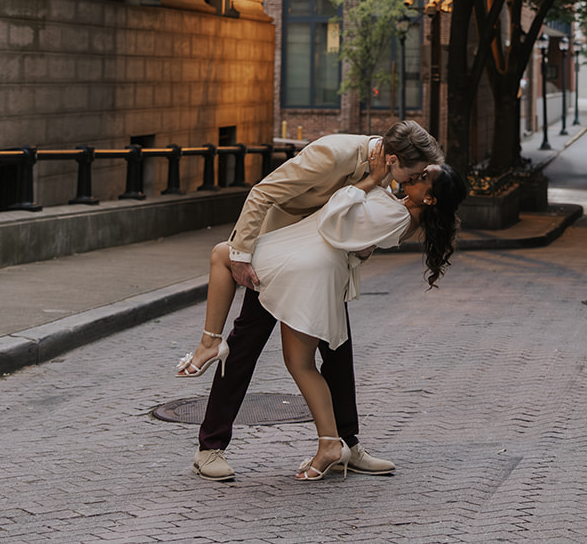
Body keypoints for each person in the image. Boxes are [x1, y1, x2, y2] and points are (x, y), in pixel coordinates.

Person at [185, 121, 448, 482]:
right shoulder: (333, 153)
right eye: (413, 173)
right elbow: (263, 193)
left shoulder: (390, 173)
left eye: (418, 177)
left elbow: (365, 224)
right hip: (283, 255)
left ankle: (345, 444)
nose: (409, 182)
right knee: (245, 345)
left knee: (338, 353)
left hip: (324, 266)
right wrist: (242, 253)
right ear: (391, 159)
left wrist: (362, 246)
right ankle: (209, 447)